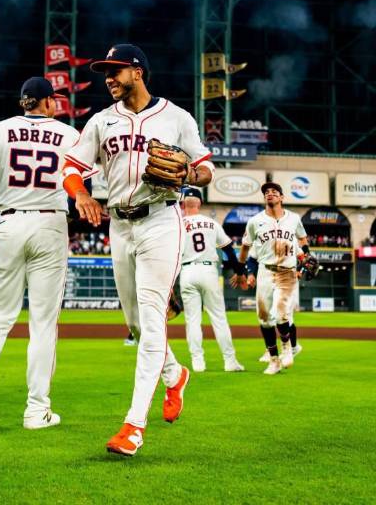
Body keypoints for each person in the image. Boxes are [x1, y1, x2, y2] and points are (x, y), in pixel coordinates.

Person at [62, 44, 215, 457]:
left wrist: (189, 172)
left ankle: (133, 426)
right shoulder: (101, 121)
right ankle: (175, 374)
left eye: (115, 71)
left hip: (161, 221)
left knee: (150, 317)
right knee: (135, 324)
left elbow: (206, 168)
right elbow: (72, 167)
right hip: (119, 224)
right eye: (105, 72)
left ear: (138, 72)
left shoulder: (176, 117)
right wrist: (80, 195)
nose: (108, 78)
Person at [0, 77, 95, 431]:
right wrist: (72, 215)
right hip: (50, 223)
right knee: (43, 323)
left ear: (23, 102)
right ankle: (36, 411)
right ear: (46, 102)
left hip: (10, 223)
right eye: (54, 99)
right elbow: (82, 188)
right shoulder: (69, 135)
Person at [231, 182, 311, 375]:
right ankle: (274, 360)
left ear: (282, 197)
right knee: (265, 319)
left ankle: (288, 349)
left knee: (280, 313)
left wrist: (306, 256)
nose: (270, 194)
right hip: (265, 272)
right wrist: (241, 271)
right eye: (267, 192)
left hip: (287, 272)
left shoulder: (293, 218)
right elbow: (245, 247)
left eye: (275, 191)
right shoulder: (255, 221)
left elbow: (302, 239)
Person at [179, 188, 245, 373]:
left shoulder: (177, 225)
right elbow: (229, 249)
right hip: (208, 270)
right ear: (200, 203)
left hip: (187, 271)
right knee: (219, 318)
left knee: (192, 320)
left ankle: (198, 363)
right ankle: (230, 361)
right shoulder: (211, 223)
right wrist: (239, 272)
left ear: (183, 204)